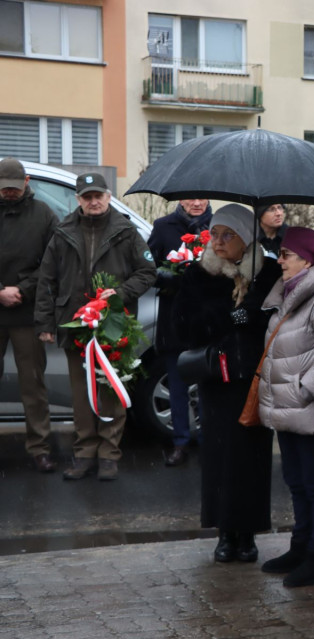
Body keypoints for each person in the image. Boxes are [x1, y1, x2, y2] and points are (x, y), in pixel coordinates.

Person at [173, 204, 280, 563]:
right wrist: (229, 315)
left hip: (252, 376)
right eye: (214, 234)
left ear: (246, 239)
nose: (217, 242)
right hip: (216, 378)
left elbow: (270, 315)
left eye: (227, 235)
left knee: (250, 456)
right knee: (219, 454)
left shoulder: (267, 271)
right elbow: (184, 324)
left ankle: (247, 533)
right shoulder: (198, 273)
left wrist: (248, 312)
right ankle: (224, 532)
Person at [35, 173, 157, 481]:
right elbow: (46, 281)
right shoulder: (63, 232)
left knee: (110, 391)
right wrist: (46, 323)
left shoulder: (126, 231)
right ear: (78, 200)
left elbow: (147, 271)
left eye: (98, 195)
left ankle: (109, 455)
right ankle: (84, 453)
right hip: (76, 325)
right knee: (81, 395)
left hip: (113, 326)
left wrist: (121, 293)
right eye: (87, 197)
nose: (93, 201)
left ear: (107, 196)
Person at [258, 226, 314, 588]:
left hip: (309, 407)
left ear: (307, 259)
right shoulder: (289, 292)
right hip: (288, 407)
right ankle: (301, 546)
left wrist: (304, 390)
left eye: (287, 255)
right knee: (296, 482)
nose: (280, 260)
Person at [0, 158, 57, 473]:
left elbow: (52, 263)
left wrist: (21, 288)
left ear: (27, 181)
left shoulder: (44, 215)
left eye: (13, 188)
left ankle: (39, 448)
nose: (8, 193)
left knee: (33, 385)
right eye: (3, 189)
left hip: (27, 311)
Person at [148, 198, 213, 466]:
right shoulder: (163, 227)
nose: (196, 203)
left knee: (209, 386)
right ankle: (180, 442)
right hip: (175, 321)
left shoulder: (219, 226)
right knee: (177, 386)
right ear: (181, 200)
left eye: (202, 198)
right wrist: (173, 276)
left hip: (209, 322)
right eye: (190, 198)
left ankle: (211, 440)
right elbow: (148, 270)